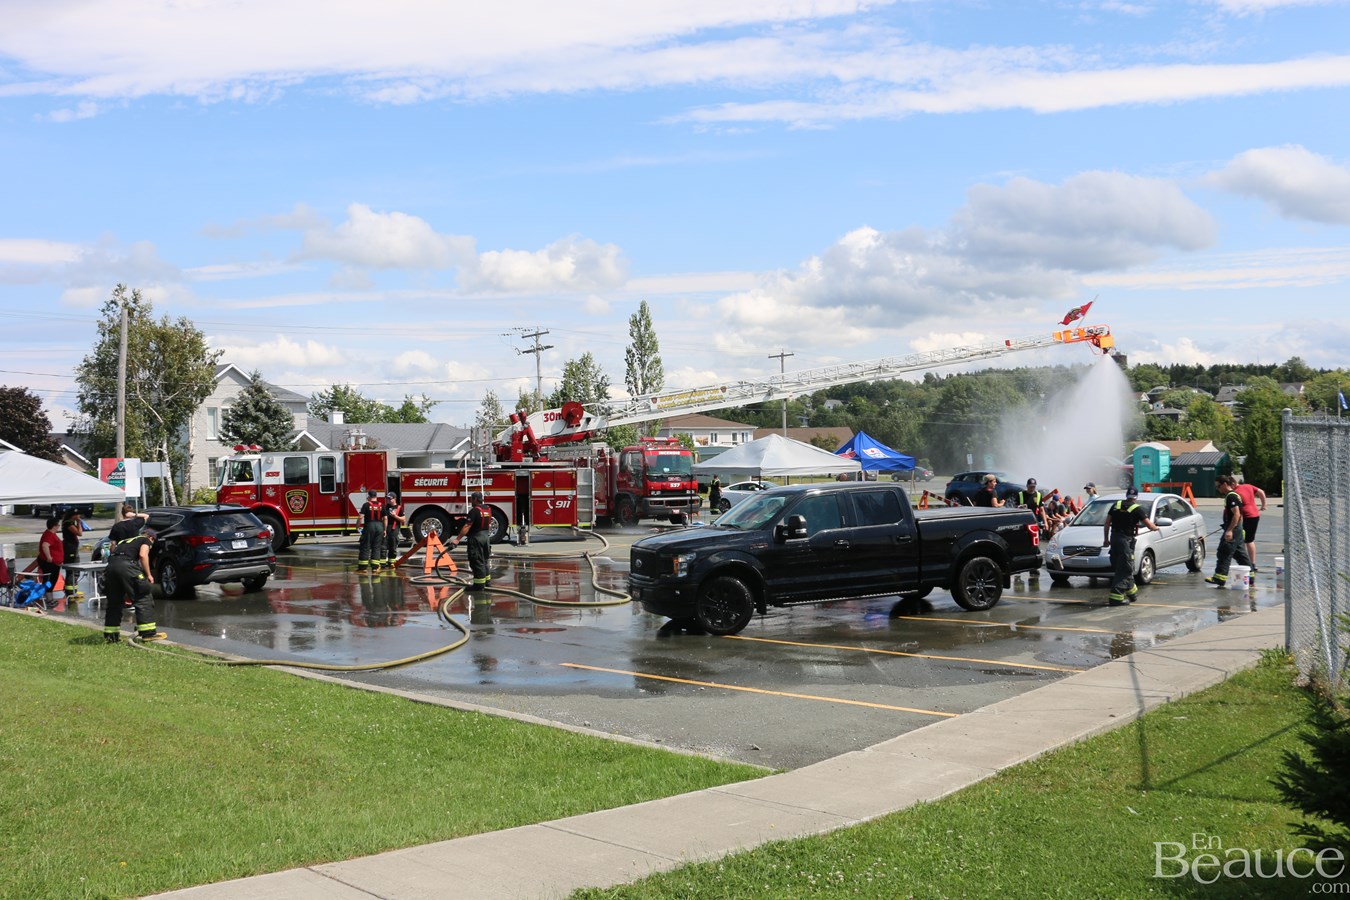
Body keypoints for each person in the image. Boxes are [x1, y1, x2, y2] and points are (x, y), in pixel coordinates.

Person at [103, 526, 164, 643]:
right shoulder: (145, 540)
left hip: (111, 567)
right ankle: (148, 633)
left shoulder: (124, 541)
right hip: (127, 566)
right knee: (143, 596)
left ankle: (111, 636)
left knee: (114, 602)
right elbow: (143, 555)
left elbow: (112, 551)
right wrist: (149, 574)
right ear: (151, 537)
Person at [1102, 487, 1158, 606]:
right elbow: (1150, 526)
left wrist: (1106, 539)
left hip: (1114, 538)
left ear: (1126, 495)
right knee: (1125, 569)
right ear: (1136, 497)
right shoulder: (1137, 509)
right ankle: (1116, 598)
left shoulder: (1116, 505)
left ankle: (1132, 593)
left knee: (1123, 567)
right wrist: (1156, 527)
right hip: (1125, 541)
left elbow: (1107, 523)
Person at [1207, 474, 1252, 586]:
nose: (1217, 489)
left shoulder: (1231, 496)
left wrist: (1230, 530)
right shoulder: (1233, 495)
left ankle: (1219, 577)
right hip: (1238, 528)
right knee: (1240, 554)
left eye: (1218, 486)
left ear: (1225, 484)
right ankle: (1250, 575)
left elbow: (1236, 514)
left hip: (1234, 529)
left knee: (1224, 551)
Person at [451, 491, 494, 589]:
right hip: (486, 538)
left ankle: (478, 585)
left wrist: (457, 539)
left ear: (475, 499)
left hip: (476, 539)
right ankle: (487, 582)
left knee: (477, 561)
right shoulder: (488, 509)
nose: (471, 501)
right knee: (485, 560)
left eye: (471, 499)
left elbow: (467, 526)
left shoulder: (474, 511)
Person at [1234, 478, 1267, 572]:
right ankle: (1251, 563)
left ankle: (1249, 563)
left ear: (1232, 484)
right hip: (1255, 515)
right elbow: (1261, 492)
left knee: (1245, 540)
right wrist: (1264, 505)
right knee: (1248, 540)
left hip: (1247, 516)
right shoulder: (1248, 486)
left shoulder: (1235, 492)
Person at [356, 489, 385, 570]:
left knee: (366, 546)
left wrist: (357, 526)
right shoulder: (382, 505)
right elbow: (385, 518)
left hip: (369, 526)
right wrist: (385, 529)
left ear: (369, 496)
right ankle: (375, 567)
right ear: (376, 496)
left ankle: (363, 567)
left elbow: (360, 517)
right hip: (380, 526)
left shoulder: (366, 505)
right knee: (376, 546)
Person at [37, 517, 64, 596]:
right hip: (50, 563)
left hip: (54, 563)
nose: (59, 526)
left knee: (51, 579)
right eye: (58, 524)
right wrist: (49, 557)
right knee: (50, 580)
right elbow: (45, 545)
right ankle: (48, 598)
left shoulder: (51, 534)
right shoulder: (49, 535)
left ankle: (49, 597)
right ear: (54, 526)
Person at [62, 510, 85, 601]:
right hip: (69, 549)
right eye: (77, 514)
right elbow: (79, 533)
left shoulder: (71, 523)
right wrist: (79, 522)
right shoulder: (68, 523)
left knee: (75, 570)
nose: (79, 516)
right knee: (72, 569)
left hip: (73, 548)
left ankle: (74, 590)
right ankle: (70, 592)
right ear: (73, 515)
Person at [383, 490, 406, 565]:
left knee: (393, 545)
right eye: (387, 499)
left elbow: (403, 519)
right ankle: (382, 563)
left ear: (394, 499)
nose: (388, 500)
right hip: (386, 528)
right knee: (383, 546)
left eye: (390, 499)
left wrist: (395, 516)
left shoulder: (399, 508)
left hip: (394, 528)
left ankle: (391, 562)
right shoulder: (386, 507)